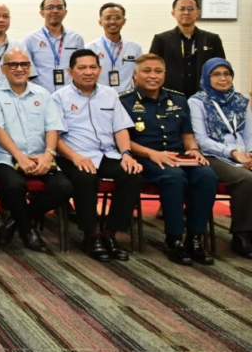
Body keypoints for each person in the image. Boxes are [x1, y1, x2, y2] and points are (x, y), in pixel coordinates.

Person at [120, 54, 217, 265]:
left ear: (165, 74)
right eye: (146, 71)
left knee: (207, 175)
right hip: (145, 158)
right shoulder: (124, 101)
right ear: (135, 74)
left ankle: (195, 238)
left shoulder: (179, 99)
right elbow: (123, 140)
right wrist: (152, 154)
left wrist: (194, 150)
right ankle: (174, 240)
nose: (152, 76)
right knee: (174, 177)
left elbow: (187, 134)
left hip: (178, 156)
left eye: (158, 71)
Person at [52, 49, 143, 262]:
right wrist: (75, 157)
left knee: (133, 175)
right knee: (85, 177)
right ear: (70, 72)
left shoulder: (110, 94)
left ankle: (110, 234)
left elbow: (120, 129)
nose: (88, 72)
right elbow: (54, 136)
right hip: (74, 155)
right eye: (82, 68)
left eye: (93, 67)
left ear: (100, 70)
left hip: (107, 154)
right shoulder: (59, 98)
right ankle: (91, 235)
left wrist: (126, 154)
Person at [0, 47, 71, 253]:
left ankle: (15, 222)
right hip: (4, 156)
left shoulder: (42, 94)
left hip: (40, 155)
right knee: (14, 186)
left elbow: (52, 128)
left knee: (64, 187)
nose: (19, 69)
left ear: (30, 68)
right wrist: (19, 156)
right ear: (4, 68)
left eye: (24, 64)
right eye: (13, 64)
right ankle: (28, 231)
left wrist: (48, 154)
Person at [189, 58, 252, 258]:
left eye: (227, 74)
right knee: (246, 179)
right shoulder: (197, 102)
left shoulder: (241, 101)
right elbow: (201, 140)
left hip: (242, 154)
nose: (223, 79)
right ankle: (242, 235)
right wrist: (232, 153)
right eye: (216, 74)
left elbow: (249, 134)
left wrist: (250, 153)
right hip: (213, 155)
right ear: (206, 77)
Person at [149, 0, 226, 98]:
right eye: (182, 9)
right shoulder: (161, 39)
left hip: (204, 96)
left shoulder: (212, 39)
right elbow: (153, 69)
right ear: (173, 13)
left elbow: (221, 68)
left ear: (198, 13)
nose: (186, 12)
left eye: (190, 9)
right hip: (170, 96)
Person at [24, 0, 85, 93]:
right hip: (41, 95)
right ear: (42, 13)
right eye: (50, 7)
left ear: (65, 13)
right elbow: (26, 73)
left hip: (70, 94)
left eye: (59, 7)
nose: (55, 11)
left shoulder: (76, 39)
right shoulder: (30, 40)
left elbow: (82, 68)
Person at [85, 3, 142, 93]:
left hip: (126, 98)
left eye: (117, 18)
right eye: (107, 18)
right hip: (99, 97)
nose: (112, 22)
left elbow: (139, 77)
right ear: (100, 22)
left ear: (124, 21)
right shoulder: (90, 49)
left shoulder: (134, 48)